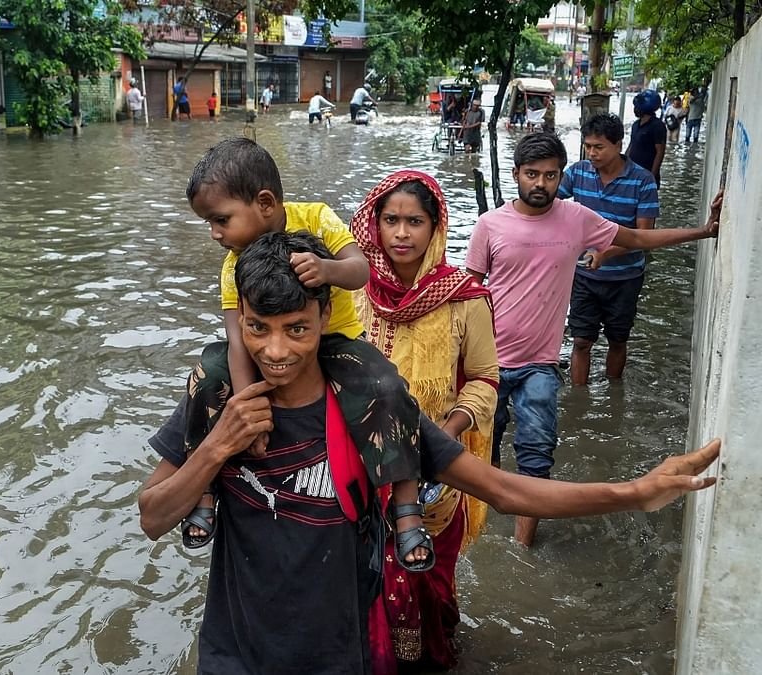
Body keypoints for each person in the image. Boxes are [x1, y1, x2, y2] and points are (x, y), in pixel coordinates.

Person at [139, 229, 723, 674]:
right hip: (231, 655)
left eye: (297, 328)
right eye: (259, 327)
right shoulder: (217, 395)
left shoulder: (369, 406)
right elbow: (153, 516)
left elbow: (502, 487)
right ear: (240, 319)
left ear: (325, 319)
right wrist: (218, 446)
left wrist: (638, 492)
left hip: (341, 657)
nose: (277, 350)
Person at [181, 138, 432, 570]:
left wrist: (326, 269)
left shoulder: (315, 217)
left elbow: (360, 270)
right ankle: (204, 491)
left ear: (265, 203)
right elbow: (238, 337)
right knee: (206, 375)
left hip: (334, 345)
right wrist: (249, 411)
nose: (215, 234)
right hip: (262, 353)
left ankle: (406, 508)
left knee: (388, 387)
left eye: (220, 220)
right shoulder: (233, 265)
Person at [465, 133, 723, 547]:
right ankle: (475, 535)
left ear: (561, 176)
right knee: (480, 452)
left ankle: (520, 549)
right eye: (532, 174)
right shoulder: (489, 226)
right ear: (516, 175)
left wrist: (703, 232)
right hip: (486, 363)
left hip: (540, 365)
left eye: (551, 175)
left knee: (536, 458)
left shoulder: (576, 218)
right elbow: (468, 294)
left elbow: (635, 239)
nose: (541, 184)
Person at [349, 171, 498, 672]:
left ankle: (430, 656)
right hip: (358, 469)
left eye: (415, 221)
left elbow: (484, 380)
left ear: (436, 229)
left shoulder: (466, 298)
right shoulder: (353, 289)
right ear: (375, 223)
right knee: (361, 584)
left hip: (435, 476)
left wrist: (447, 434)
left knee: (429, 583)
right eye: (390, 220)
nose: (401, 233)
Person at [558, 114, 660, 386]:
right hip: (584, 276)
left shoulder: (643, 181)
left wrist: (605, 254)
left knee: (618, 339)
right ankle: (579, 399)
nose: (592, 153)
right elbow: (548, 202)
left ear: (618, 144)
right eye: (588, 146)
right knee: (580, 340)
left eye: (599, 147)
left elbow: (644, 235)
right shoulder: (578, 173)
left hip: (625, 278)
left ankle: (614, 390)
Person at [628, 90, 667, 186]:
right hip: (632, 174)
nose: (635, 109)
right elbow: (631, 146)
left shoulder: (657, 126)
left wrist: (651, 176)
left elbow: (660, 152)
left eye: (637, 107)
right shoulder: (636, 125)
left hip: (646, 175)